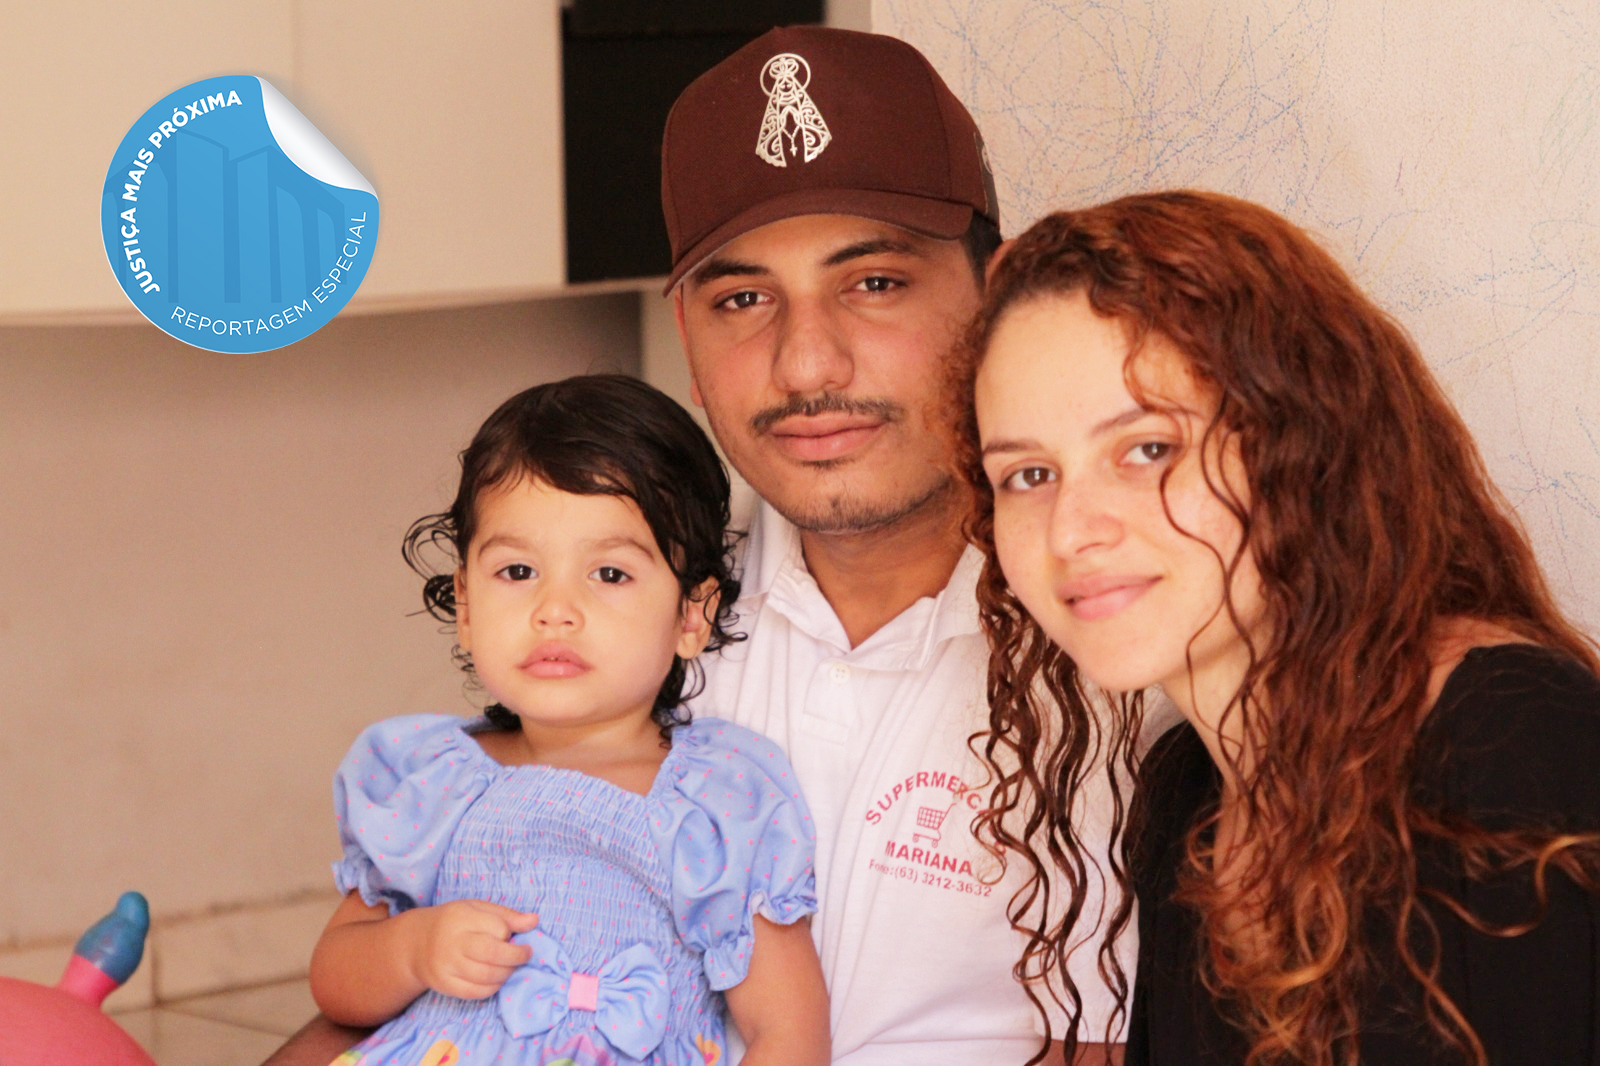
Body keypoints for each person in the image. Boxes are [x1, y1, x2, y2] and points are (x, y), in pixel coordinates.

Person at [265, 25, 1135, 1066]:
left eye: (873, 283)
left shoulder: (1115, 647)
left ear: (993, 296)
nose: (806, 363)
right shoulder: (628, 626)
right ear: (686, 333)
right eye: (743, 300)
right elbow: (406, 999)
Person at [961, 190, 1600, 1065]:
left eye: (1147, 449)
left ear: (1303, 445)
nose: (1071, 531)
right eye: (1028, 475)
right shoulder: (1184, 795)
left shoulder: (1512, 740)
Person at [307, 375, 829, 1066]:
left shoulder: (717, 799)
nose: (555, 610)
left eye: (609, 575)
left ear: (691, 615)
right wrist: (412, 949)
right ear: (466, 604)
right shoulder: (433, 779)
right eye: (518, 572)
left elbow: (788, 1031)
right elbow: (335, 983)